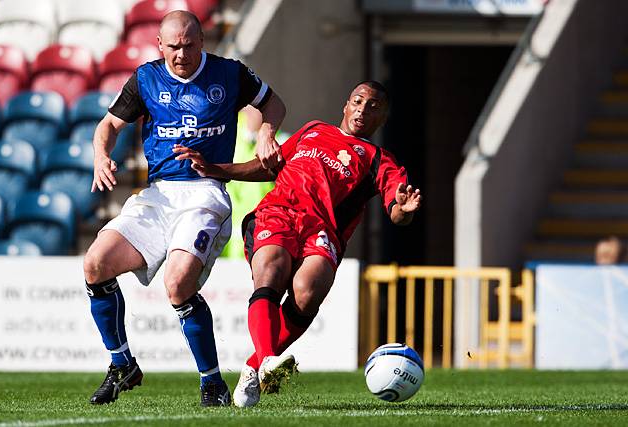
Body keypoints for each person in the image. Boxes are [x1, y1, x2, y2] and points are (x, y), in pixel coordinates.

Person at [173, 81, 422, 407]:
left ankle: (254, 367)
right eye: (358, 101)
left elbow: (396, 209)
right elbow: (268, 168)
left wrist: (402, 212)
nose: (363, 109)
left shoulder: (378, 159)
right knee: (272, 271)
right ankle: (266, 361)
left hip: (323, 229)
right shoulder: (313, 130)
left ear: (383, 117)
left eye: (373, 106)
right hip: (276, 214)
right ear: (346, 106)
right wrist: (218, 170)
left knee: (307, 291)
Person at [83, 10, 286, 407]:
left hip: (205, 191)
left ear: (201, 42)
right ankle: (122, 363)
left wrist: (266, 131)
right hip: (158, 195)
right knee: (94, 264)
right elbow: (107, 126)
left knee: (177, 285)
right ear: (160, 45)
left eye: (188, 45)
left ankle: (212, 382)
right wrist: (100, 157)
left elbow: (274, 104)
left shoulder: (230, 74)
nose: (180, 54)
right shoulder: (146, 78)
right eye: (173, 46)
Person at [221, 105, 289, 258]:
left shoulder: (281, 142)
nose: (255, 111)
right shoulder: (226, 131)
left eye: (261, 106)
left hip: (261, 227)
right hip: (224, 226)